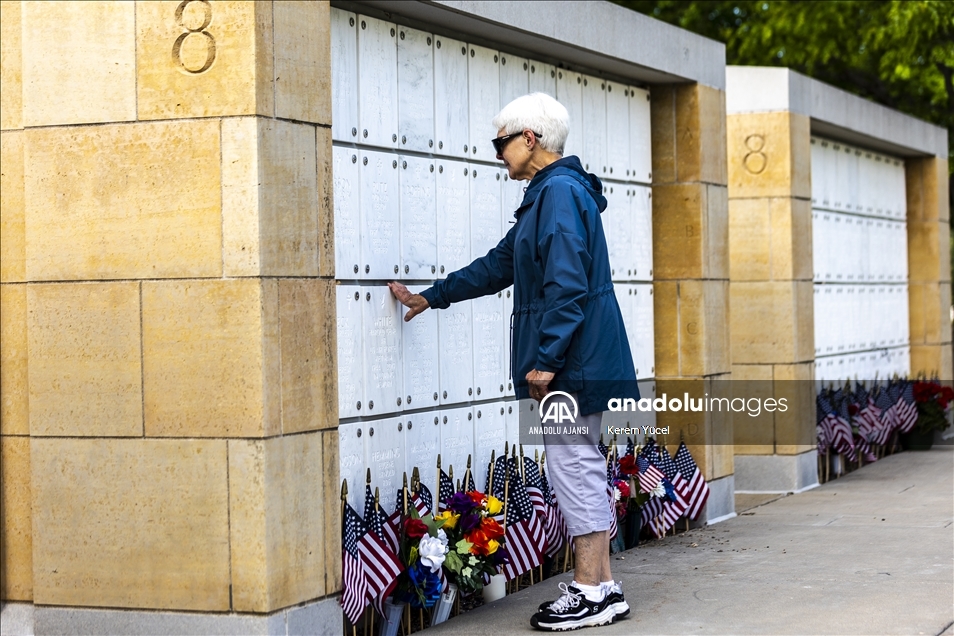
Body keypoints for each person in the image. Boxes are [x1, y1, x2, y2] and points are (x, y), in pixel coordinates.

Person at [388, 92, 638, 631]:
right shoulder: (549, 195)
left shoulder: (560, 194)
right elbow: (501, 263)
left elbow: (567, 284)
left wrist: (545, 361)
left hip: (573, 366)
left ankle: (592, 589)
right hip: (580, 361)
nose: (497, 153)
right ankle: (605, 586)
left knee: (574, 468)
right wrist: (432, 295)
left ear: (530, 139)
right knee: (579, 467)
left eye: (501, 142)